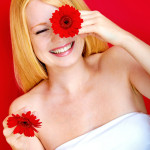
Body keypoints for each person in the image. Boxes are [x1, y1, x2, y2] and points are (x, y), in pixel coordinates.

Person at [2, 0, 150, 149]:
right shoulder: (27, 111)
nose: (59, 37)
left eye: (65, 21)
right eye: (41, 31)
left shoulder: (120, 61)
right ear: (26, 41)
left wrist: (124, 38)